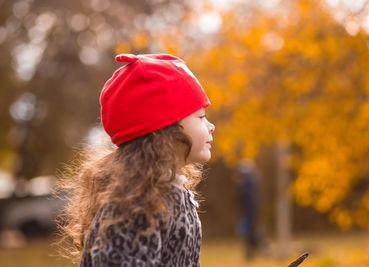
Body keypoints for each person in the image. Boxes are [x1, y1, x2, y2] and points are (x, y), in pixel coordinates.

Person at [57, 53, 215, 267]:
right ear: (164, 130)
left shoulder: (169, 192)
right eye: (201, 117)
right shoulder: (137, 204)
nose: (210, 126)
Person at [235, 158, 268, 261]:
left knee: (252, 235)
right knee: (252, 235)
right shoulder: (250, 182)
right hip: (250, 214)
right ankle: (253, 254)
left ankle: (256, 254)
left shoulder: (247, 185)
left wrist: (250, 216)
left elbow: (249, 202)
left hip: (250, 215)